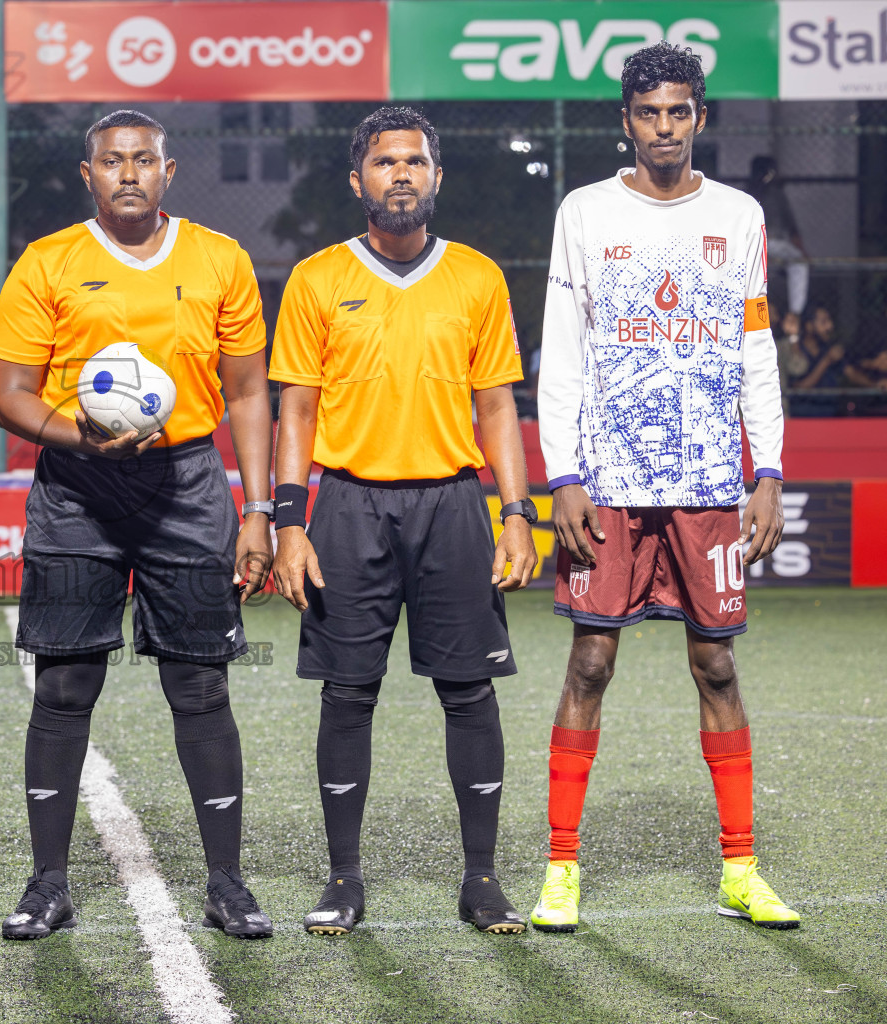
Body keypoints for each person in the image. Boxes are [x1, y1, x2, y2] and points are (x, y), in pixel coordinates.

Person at [0, 109, 276, 940]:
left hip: (186, 485)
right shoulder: (48, 262)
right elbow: (11, 393)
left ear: (167, 171)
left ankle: (226, 883)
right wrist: (78, 435)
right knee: (65, 684)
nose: (127, 172)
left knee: (200, 685)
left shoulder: (219, 258)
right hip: (77, 486)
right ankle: (47, 885)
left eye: (143, 159)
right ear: (88, 175)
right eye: (111, 160)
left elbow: (248, 391)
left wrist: (258, 508)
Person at [534, 42, 796, 933]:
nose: (664, 127)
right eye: (648, 113)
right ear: (627, 122)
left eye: (678, 111)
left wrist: (768, 470)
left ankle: (741, 869)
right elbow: (563, 351)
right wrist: (563, 475)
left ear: (699, 118)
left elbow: (755, 346)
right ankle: (561, 868)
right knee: (591, 662)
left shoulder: (739, 215)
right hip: (607, 482)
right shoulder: (584, 212)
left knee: (716, 664)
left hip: (710, 484)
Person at [270, 106, 537, 937]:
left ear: (436, 176)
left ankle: (482, 878)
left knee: (470, 691)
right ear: (358, 180)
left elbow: (498, 405)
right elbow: (296, 410)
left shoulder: (476, 277)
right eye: (385, 162)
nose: (401, 175)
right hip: (349, 505)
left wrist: (516, 511)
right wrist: (289, 522)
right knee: (348, 694)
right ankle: (343, 879)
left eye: (415, 161)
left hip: (454, 502)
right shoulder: (316, 278)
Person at [744, 156, 807, 317]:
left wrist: (801, 250)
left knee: (798, 262)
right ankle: (750, 312)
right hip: (751, 245)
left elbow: (791, 227)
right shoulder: (745, 194)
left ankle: (794, 313)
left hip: (776, 244)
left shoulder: (777, 194)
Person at [787, 305, 844, 417]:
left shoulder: (828, 348)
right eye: (824, 322)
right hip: (802, 415)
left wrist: (875, 384)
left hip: (831, 414)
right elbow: (799, 389)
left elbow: (850, 372)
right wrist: (826, 361)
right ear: (809, 326)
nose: (830, 326)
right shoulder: (795, 350)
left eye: (829, 321)